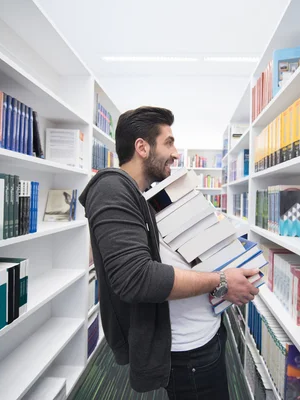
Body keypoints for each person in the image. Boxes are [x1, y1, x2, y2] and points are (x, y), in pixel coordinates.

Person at [79, 106, 259, 399]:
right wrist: (221, 280)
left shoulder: (142, 193)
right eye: (169, 142)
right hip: (187, 355)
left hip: (203, 337)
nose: (175, 153)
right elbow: (137, 278)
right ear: (142, 147)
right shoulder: (112, 189)